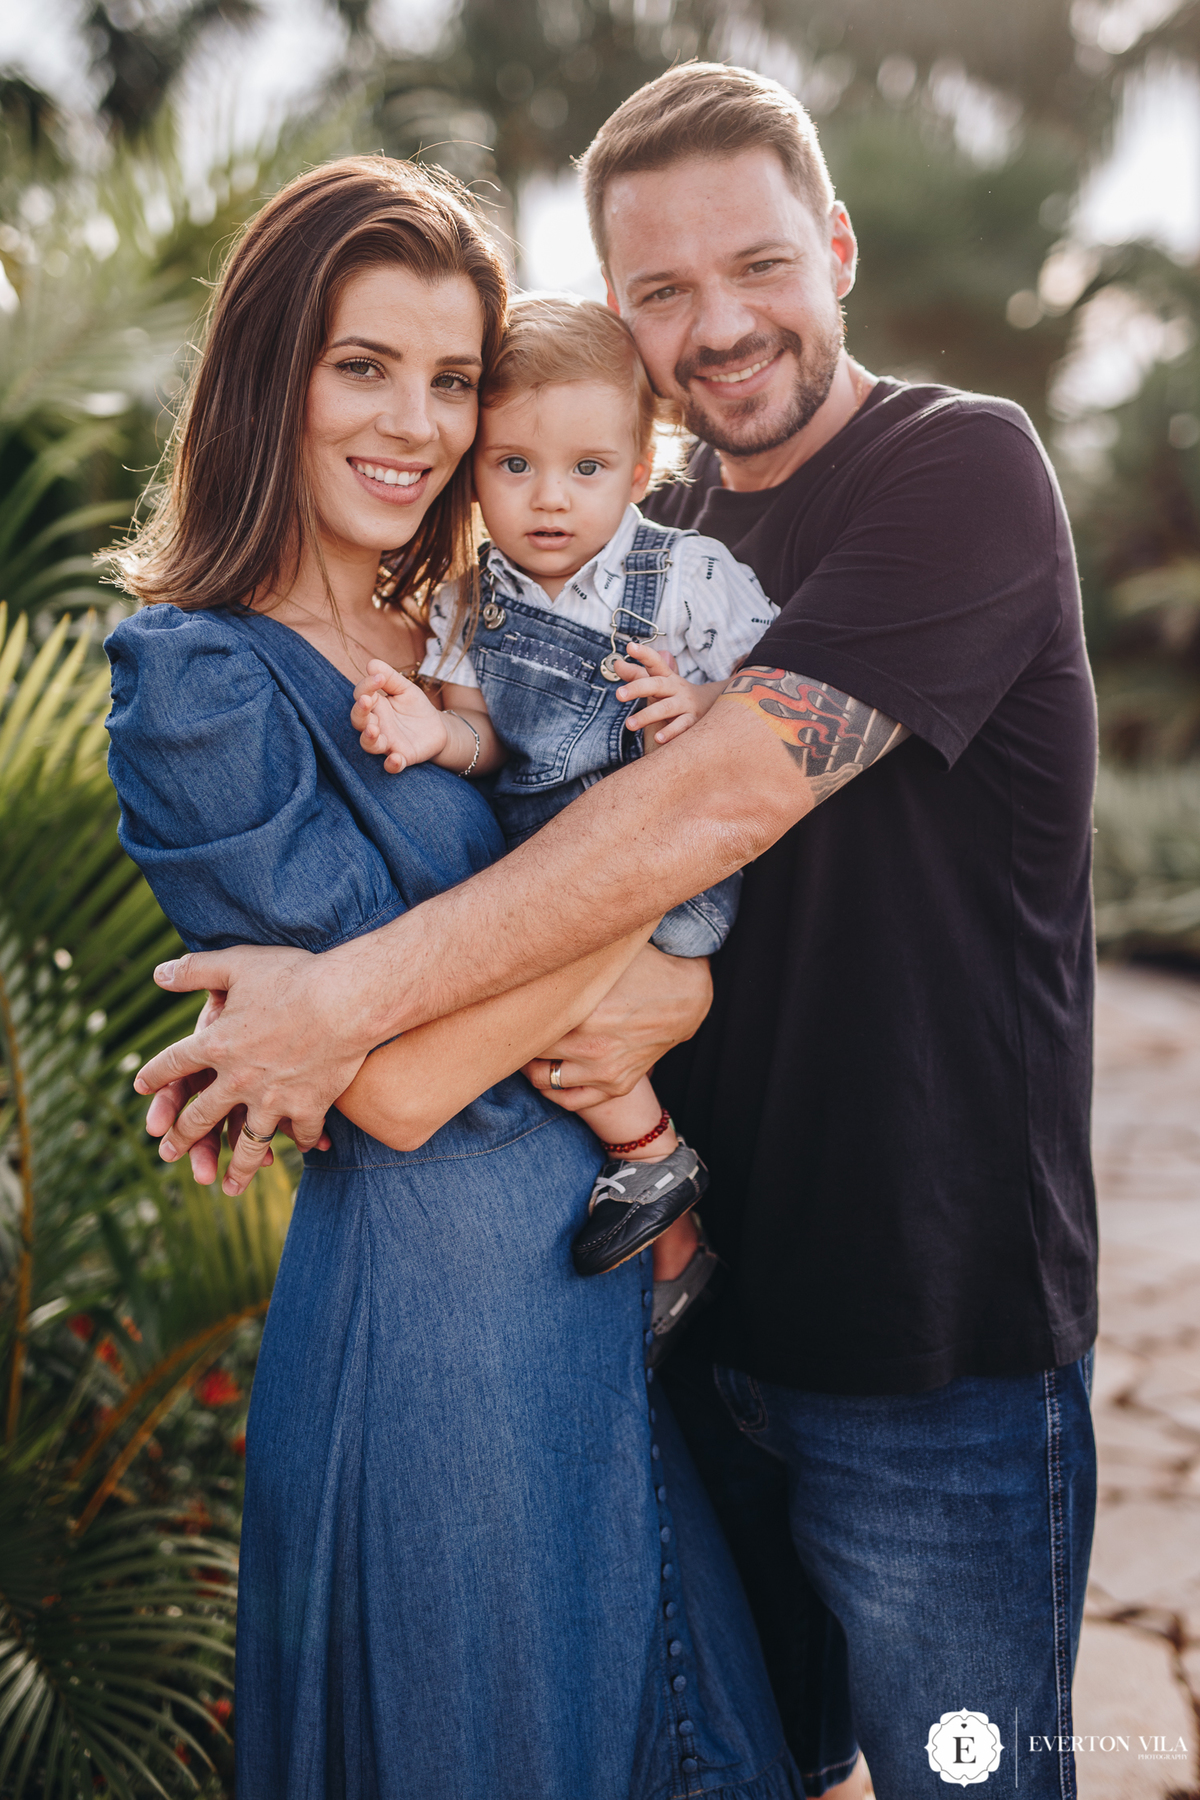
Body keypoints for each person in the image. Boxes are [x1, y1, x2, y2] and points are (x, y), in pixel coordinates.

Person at [132, 65, 1099, 1800]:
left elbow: (708, 806)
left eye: (758, 267)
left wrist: (345, 1004)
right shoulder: (627, 541)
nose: (717, 326)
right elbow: (544, 811)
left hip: (920, 1338)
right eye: (660, 291)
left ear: (840, 246)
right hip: (685, 1319)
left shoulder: (956, 471)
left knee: (969, 1776)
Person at [102, 152, 809, 1800]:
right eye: (364, 366)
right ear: (270, 374)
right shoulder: (199, 684)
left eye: (449, 379)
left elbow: (515, 971)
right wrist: (670, 884)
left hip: (594, 1307)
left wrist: (664, 968)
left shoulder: (479, 635)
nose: (413, 424)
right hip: (436, 1342)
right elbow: (401, 1089)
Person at [352, 291, 776, 1310]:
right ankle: (670, 1232)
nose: (550, 499)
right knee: (539, 1036)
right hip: (550, 869)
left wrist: (699, 699)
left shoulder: (684, 578)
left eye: (586, 470)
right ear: (474, 473)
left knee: (530, 1024)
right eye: (514, 466)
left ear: (638, 472)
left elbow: (782, 694)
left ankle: (656, 1158)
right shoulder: (471, 600)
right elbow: (488, 737)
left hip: (666, 876)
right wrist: (431, 733)